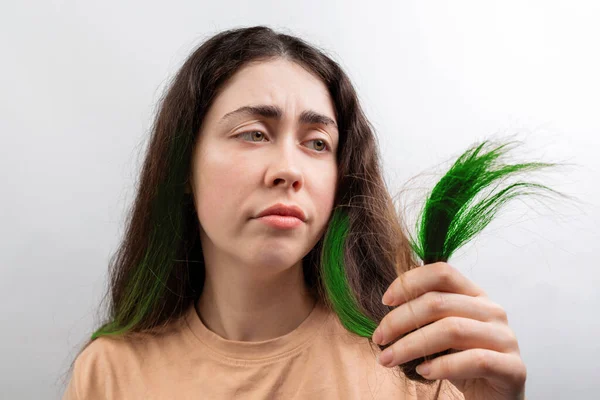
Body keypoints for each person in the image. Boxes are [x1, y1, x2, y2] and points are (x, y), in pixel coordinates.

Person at [62, 26, 527, 399]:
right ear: (183, 164)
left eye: (317, 143)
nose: (289, 170)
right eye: (254, 133)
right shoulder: (108, 374)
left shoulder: (414, 362)